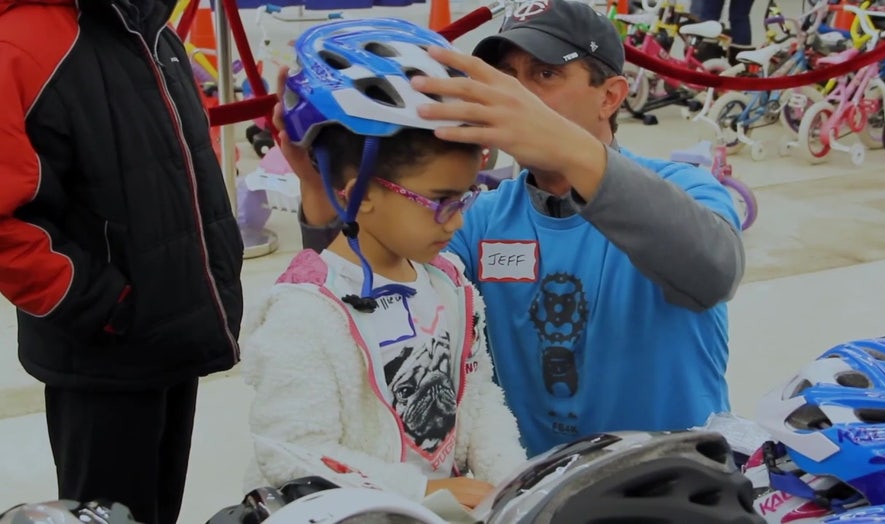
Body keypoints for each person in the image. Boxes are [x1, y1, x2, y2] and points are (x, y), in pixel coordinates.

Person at [286, 0, 745, 457]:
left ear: (610, 96)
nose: (516, 95)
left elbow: (714, 269)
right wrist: (322, 192)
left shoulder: (685, 188)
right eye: (506, 77)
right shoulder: (478, 217)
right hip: (534, 490)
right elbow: (370, 303)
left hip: (679, 487)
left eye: (545, 74)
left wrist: (567, 146)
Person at [241, 18, 525, 510]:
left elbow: (477, 401)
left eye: (466, 198)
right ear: (361, 194)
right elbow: (292, 450)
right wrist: (423, 491)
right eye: (441, 201)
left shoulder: (452, 285)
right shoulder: (305, 311)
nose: (456, 222)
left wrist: (516, 483)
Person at [0, 0, 244, 521]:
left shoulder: (146, 21)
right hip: (103, 353)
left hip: (171, 329)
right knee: (108, 515)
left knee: (157, 510)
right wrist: (104, 305)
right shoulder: (24, 42)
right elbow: (6, 222)